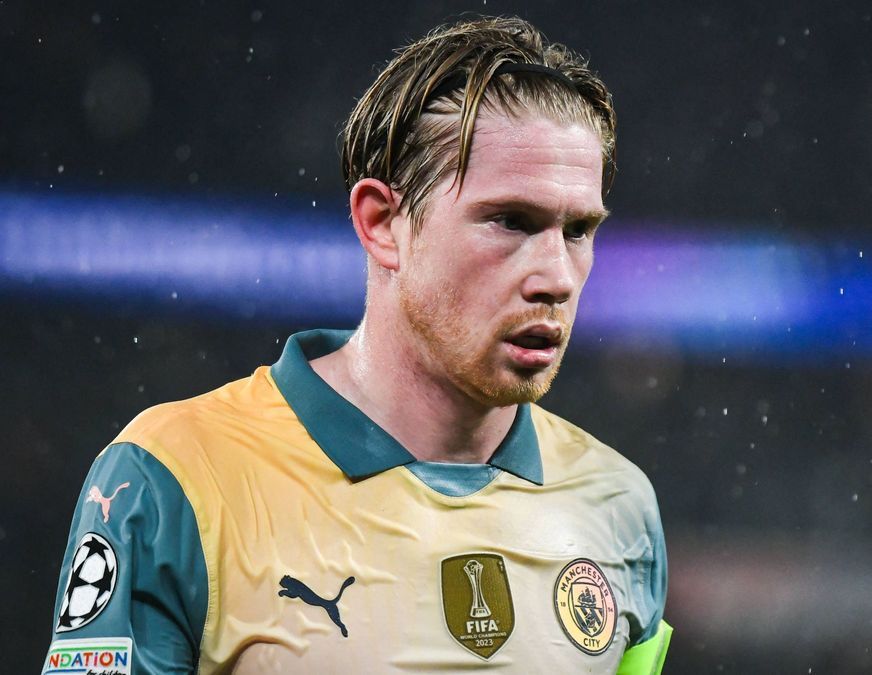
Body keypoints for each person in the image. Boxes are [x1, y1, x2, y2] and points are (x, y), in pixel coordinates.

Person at [43, 16, 670, 674]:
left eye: (578, 230)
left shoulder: (620, 504)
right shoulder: (174, 475)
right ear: (381, 222)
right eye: (511, 221)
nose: (558, 277)